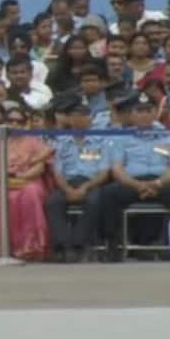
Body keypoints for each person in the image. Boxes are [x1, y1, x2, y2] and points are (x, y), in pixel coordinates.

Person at [100, 91, 170, 260]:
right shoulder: (120, 137)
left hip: (162, 182)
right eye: (139, 111)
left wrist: (158, 183)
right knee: (108, 195)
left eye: (148, 110)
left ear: (156, 113)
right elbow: (117, 169)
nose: (144, 115)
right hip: (133, 183)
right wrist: (137, 185)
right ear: (131, 114)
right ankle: (113, 245)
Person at [0, 106, 53, 261]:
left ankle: (30, 248)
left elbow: (40, 167)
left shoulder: (35, 142)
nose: (14, 124)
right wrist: (5, 178)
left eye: (19, 121)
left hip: (27, 180)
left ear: (25, 124)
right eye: (10, 121)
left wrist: (21, 176)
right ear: (3, 123)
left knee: (31, 193)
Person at [44, 93, 109, 263]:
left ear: (91, 119)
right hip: (67, 182)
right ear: (69, 119)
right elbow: (57, 171)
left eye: (83, 116)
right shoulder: (61, 142)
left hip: (91, 183)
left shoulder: (100, 141)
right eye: (75, 116)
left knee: (94, 202)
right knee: (53, 202)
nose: (79, 120)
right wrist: (67, 189)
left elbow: (103, 172)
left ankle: (79, 244)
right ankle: (62, 246)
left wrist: (84, 188)